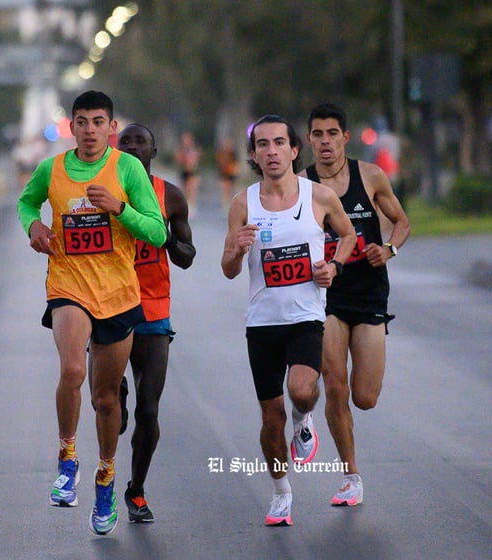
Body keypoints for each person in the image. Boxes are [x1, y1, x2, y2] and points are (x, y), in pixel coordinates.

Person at [16, 91, 167, 536]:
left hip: (119, 294)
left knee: (106, 398)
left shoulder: (127, 168)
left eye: (97, 122)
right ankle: (66, 459)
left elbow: (157, 232)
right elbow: (27, 202)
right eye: (81, 122)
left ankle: (105, 476)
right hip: (68, 284)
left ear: (111, 128)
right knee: (71, 370)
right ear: (73, 127)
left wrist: (118, 208)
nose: (88, 130)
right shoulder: (54, 168)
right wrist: (34, 225)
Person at [221, 114, 356, 526]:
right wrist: (237, 251)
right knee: (269, 417)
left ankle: (305, 417)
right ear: (254, 155)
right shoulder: (243, 204)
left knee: (301, 391)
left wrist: (332, 266)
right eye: (263, 145)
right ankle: (281, 493)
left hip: (305, 317)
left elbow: (348, 235)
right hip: (261, 323)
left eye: (280, 143)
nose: (272, 151)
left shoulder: (318, 197)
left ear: (295, 150)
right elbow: (227, 268)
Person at [300, 103, 411, 507]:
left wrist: (390, 249)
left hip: (369, 296)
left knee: (365, 396)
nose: (325, 142)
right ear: (308, 140)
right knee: (335, 387)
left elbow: (402, 221)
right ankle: (350, 476)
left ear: (345, 137)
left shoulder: (371, 176)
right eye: (317, 134)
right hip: (323, 297)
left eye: (332, 133)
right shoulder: (301, 185)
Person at [115, 123, 196, 522]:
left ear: (153, 149)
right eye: (125, 141)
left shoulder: (170, 196)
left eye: (139, 141)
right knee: (109, 409)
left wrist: (164, 239)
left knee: (150, 411)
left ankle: (137, 491)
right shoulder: (100, 190)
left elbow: (187, 255)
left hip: (153, 308)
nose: (131, 147)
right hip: (106, 306)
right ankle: (116, 394)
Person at [175, 131, 201, 218]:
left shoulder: (194, 149)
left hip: (193, 172)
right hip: (184, 171)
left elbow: (196, 160)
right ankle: (186, 207)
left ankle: (192, 206)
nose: (185, 141)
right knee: (185, 190)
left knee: (192, 189)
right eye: (184, 139)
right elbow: (178, 159)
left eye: (187, 139)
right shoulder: (181, 149)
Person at [215, 136, 239, 208]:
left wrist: (235, 170)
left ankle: (230, 201)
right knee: (224, 187)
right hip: (223, 172)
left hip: (231, 172)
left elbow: (236, 163)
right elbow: (219, 162)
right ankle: (225, 203)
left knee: (230, 188)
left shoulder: (233, 153)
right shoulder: (221, 153)